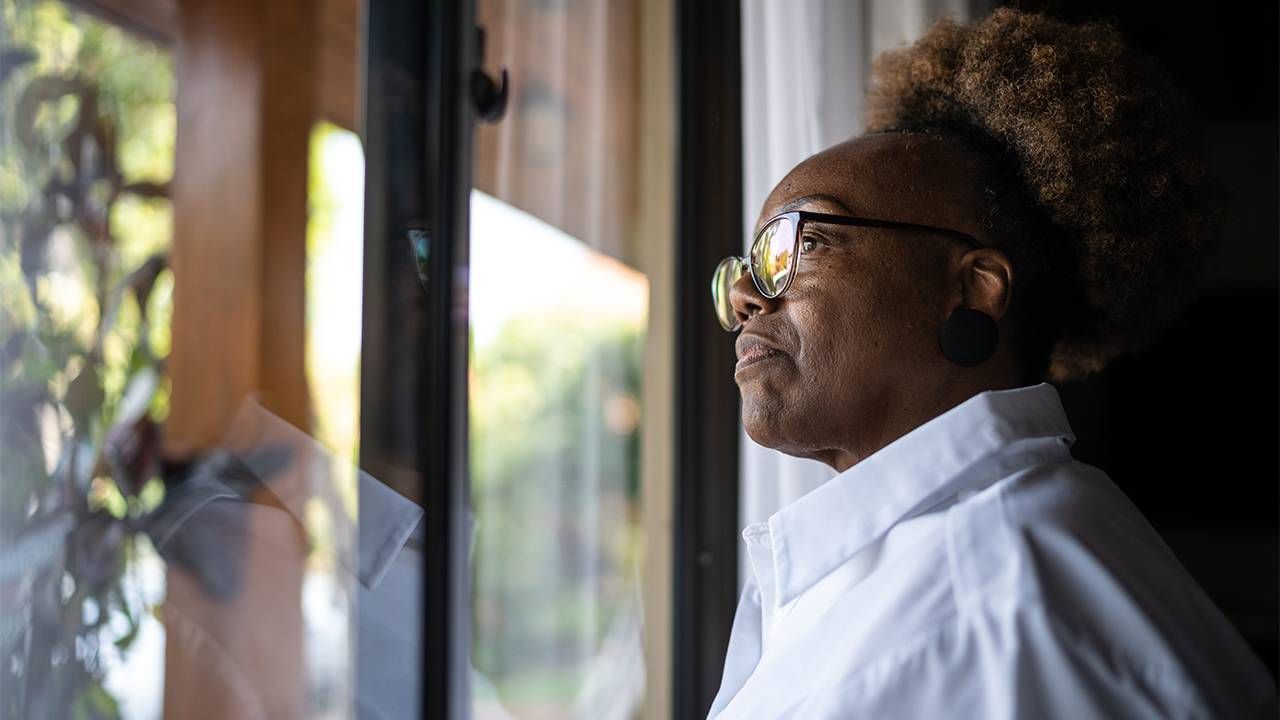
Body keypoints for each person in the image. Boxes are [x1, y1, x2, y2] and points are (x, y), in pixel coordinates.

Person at [706, 9, 1276, 718]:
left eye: (800, 243)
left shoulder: (1009, 598)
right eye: (747, 263)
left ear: (972, 287)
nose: (740, 295)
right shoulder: (910, 573)